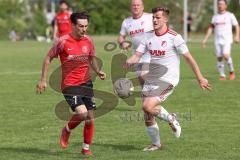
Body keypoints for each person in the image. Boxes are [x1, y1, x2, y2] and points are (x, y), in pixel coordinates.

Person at [124, 6, 211, 151]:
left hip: (168, 79)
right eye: (153, 17)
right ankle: (156, 144)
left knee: (147, 106)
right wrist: (129, 61)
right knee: (147, 113)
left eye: (158, 17)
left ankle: (171, 119)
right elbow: (137, 55)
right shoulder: (148, 36)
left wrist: (200, 78)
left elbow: (189, 58)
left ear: (165, 19)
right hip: (152, 76)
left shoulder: (174, 37)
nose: (154, 19)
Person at [36, 12, 106, 156]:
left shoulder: (88, 41)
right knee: (82, 114)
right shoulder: (62, 41)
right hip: (69, 85)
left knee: (90, 119)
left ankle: (85, 149)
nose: (84, 29)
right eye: (81, 26)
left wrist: (98, 71)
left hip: (86, 83)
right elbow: (48, 59)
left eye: (86, 26)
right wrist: (43, 80)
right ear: (73, 25)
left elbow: (92, 58)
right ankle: (67, 130)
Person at [201, 0, 239, 80]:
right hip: (217, 40)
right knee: (219, 57)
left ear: (226, 6)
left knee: (226, 55)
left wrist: (237, 36)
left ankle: (231, 72)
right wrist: (205, 40)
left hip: (227, 39)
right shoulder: (215, 17)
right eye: (219, 4)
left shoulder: (230, 15)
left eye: (222, 4)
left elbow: (237, 26)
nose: (220, 5)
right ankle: (222, 76)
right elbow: (211, 28)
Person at [118, 0, 153, 84]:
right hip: (136, 55)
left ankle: (153, 94)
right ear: (131, 7)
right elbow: (120, 36)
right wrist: (122, 43)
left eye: (138, 5)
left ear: (142, 7)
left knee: (143, 75)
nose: (136, 7)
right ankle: (148, 96)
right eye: (134, 5)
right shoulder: (126, 22)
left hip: (150, 53)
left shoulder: (150, 17)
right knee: (142, 81)